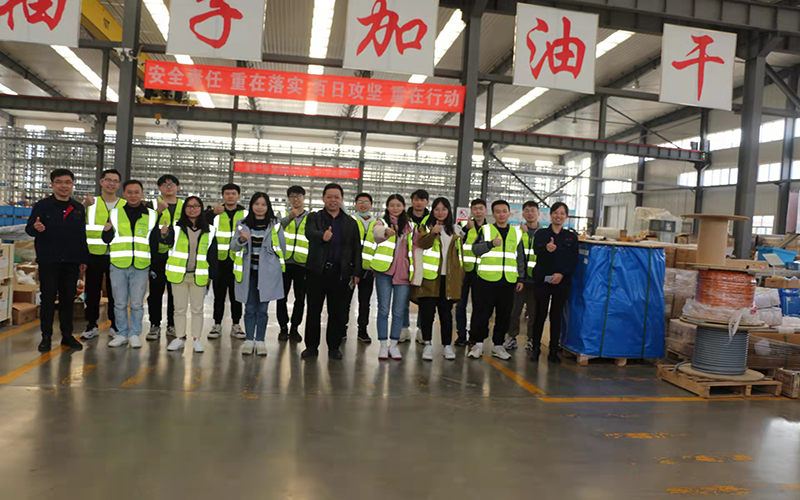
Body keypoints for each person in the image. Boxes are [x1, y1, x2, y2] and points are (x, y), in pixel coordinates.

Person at [26, 169, 88, 352]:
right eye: (59, 182)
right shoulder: (42, 206)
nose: (64, 186)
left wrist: (83, 259)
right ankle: (46, 337)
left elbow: (81, 235)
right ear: (52, 184)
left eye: (67, 182)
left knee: (68, 300)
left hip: (71, 261)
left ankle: (67, 336)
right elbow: (30, 229)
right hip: (49, 261)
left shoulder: (78, 208)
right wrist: (36, 228)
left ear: (72, 185)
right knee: (48, 300)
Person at [302, 183, 362, 360]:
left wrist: (356, 272)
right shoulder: (315, 217)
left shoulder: (350, 222)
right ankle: (311, 347)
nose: (333, 200)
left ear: (342, 199)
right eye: (329, 196)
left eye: (336, 197)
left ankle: (334, 347)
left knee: (337, 313)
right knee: (313, 311)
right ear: (323, 199)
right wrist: (322, 236)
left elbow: (356, 248)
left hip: (340, 273)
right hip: (316, 272)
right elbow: (309, 232)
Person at [103, 180, 161, 349]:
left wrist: (154, 265)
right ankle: (121, 333)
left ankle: (135, 334)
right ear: (124, 194)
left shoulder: (152, 215)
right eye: (129, 192)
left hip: (141, 266)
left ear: (142, 194)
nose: (133, 195)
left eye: (136, 192)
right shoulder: (114, 214)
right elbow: (107, 239)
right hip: (118, 264)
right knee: (119, 303)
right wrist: (105, 232)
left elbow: (154, 242)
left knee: (136, 304)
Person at [231, 193, 286, 356]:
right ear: (251, 206)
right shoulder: (242, 224)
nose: (260, 207)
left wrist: (270, 256)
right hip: (248, 273)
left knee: (262, 309)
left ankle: (260, 340)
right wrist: (242, 240)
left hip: (267, 274)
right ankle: (249, 340)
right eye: (256, 204)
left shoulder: (275, 225)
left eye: (263, 204)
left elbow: (282, 248)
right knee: (249, 308)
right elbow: (233, 247)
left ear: (268, 207)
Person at [468, 200, 525, 361]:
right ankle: (478, 344)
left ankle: (498, 345)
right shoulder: (486, 230)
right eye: (498, 212)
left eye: (504, 211)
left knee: (504, 314)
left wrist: (521, 278)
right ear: (493, 214)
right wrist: (490, 244)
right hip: (486, 280)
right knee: (482, 313)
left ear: (509, 213)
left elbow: (520, 258)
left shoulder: (516, 233)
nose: (501, 214)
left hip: (507, 281)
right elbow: (475, 250)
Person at [164, 196, 219, 353]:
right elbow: (165, 243)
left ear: (201, 208)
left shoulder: (210, 230)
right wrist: (163, 234)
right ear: (184, 209)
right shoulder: (176, 228)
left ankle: (196, 339)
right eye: (189, 206)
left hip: (199, 275)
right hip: (178, 275)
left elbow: (212, 255)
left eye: (196, 206)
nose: (192, 209)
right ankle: (180, 338)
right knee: (179, 309)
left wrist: (211, 276)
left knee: (197, 309)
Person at [412, 197, 463, 361]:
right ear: (432, 211)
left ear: (449, 211)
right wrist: (433, 232)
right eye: (437, 209)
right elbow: (422, 244)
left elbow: (460, 255)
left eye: (444, 209)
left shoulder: (456, 230)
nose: (440, 212)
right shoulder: (425, 227)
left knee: (446, 315)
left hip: (448, 279)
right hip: (430, 278)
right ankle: (427, 344)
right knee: (427, 313)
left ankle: (447, 345)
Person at [531, 202, 579, 363]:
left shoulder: (571, 237)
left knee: (556, 316)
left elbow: (574, 260)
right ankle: (535, 349)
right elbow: (536, 250)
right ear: (550, 215)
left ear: (566, 216)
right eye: (556, 213)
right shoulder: (542, 234)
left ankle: (553, 350)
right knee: (539, 315)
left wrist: (561, 274)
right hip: (542, 280)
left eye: (562, 213)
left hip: (562, 282)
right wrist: (546, 248)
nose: (559, 216)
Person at [81, 169, 126, 340]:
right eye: (108, 180)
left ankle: (115, 325)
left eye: (115, 181)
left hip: (117, 255)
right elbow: (78, 224)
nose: (111, 184)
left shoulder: (124, 205)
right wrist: (84, 205)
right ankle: (91, 324)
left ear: (119, 185)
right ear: (101, 182)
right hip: (95, 253)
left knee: (116, 292)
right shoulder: (91, 203)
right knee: (92, 290)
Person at [372, 194, 417, 360]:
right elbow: (376, 232)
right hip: (384, 273)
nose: (395, 208)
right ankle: (383, 346)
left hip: (403, 274)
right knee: (383, 310)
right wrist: (386, 232)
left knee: (398, 312)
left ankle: (394, 345)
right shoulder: (381, 222)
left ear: (404, 207)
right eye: (392, 205)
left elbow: (417, 247)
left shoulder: (411, 226)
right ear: (387, 207)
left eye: (398, 205)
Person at [208, 183, 246, 340]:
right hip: (219, 261)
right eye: (227, 193)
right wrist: (211, 214)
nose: (230, 196)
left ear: (238, 196)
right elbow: (202, 225)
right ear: (223, 196)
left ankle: (236, 324)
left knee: (237, 296)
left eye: (233, 193)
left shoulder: (245, 214)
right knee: (219, 295)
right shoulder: (215, 213)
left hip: (238, 261)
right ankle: (217, 324)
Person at [147, 174, 182, 341]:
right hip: (158, 256)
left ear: (178, 187)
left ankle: (172, 324)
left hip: (177, 256)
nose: (169, 186)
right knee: (155, 292)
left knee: (175, 293)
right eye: (165, 184)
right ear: (159, 187)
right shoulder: (152, 205)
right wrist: (158, 212)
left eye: (172, 184)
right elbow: (144, 226)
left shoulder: (184, 206)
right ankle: (154, 324)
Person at [505, 201, 542, 351]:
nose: (530, 213)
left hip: (536, 280)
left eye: (532, 210)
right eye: (527, 211)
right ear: (523, 213)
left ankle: (531, 339)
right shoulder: (517, 233)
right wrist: (519, 277)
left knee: (534, 312)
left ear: (538, 213)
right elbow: (516, 255)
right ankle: (512, 337)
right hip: (520, 279)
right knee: (515, 311)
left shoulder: (544, 233)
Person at [277, 185, 308, 342]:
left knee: (300, 298)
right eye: (292, 196)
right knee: (281, 297)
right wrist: (289, 217)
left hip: (302, 264)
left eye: (298, 196)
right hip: (284, 263)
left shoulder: (311, 217)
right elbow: (274, 231)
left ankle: (295, 328)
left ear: (304, 197)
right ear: (289, 199)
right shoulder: (281, 215)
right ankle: (283, 327)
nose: (296, 199)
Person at [455, 198, 487, 346]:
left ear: (485, 210)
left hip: (481, 273)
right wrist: (467, 230)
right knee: (460, 305)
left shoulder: (490, 229)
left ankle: (474, 335)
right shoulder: (463, 227)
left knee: (478, 306)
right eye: (475, 208)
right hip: (464, 272)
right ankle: (461, 335)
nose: (478, 211)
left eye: (481, 208)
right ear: (471, 211)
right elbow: (456, 244)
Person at [402, 188, 429, 344]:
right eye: (416, 199)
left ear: (427, 202)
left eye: (422, 200)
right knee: (403, 296)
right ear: (412, 201)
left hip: (425, 264)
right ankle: (403, 328)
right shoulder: (403, 219)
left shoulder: (432, 219)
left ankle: (421, 329)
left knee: (424, 298)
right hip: (405, 261)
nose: (419, 203)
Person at [352, 192, 377, 343]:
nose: (363, 205)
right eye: (360, 202)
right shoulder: (350, 221)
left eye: (366, 202)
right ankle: (342, 328)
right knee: (345, 300)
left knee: (365, 301)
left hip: (368, 269)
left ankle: (363, 329)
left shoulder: (377, 224)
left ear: (371, 205)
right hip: (351, 268)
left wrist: (375, 266)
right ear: (355, 204)